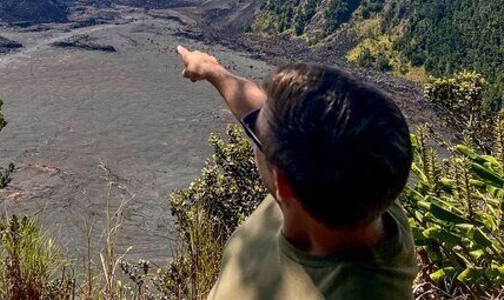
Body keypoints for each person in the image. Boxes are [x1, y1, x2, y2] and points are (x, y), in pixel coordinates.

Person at [176, 46, 417, 299]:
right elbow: (269, 118)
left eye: (260, 138)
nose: (256, 133)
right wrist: (213, 71)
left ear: (283, 182)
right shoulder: (365, 178)